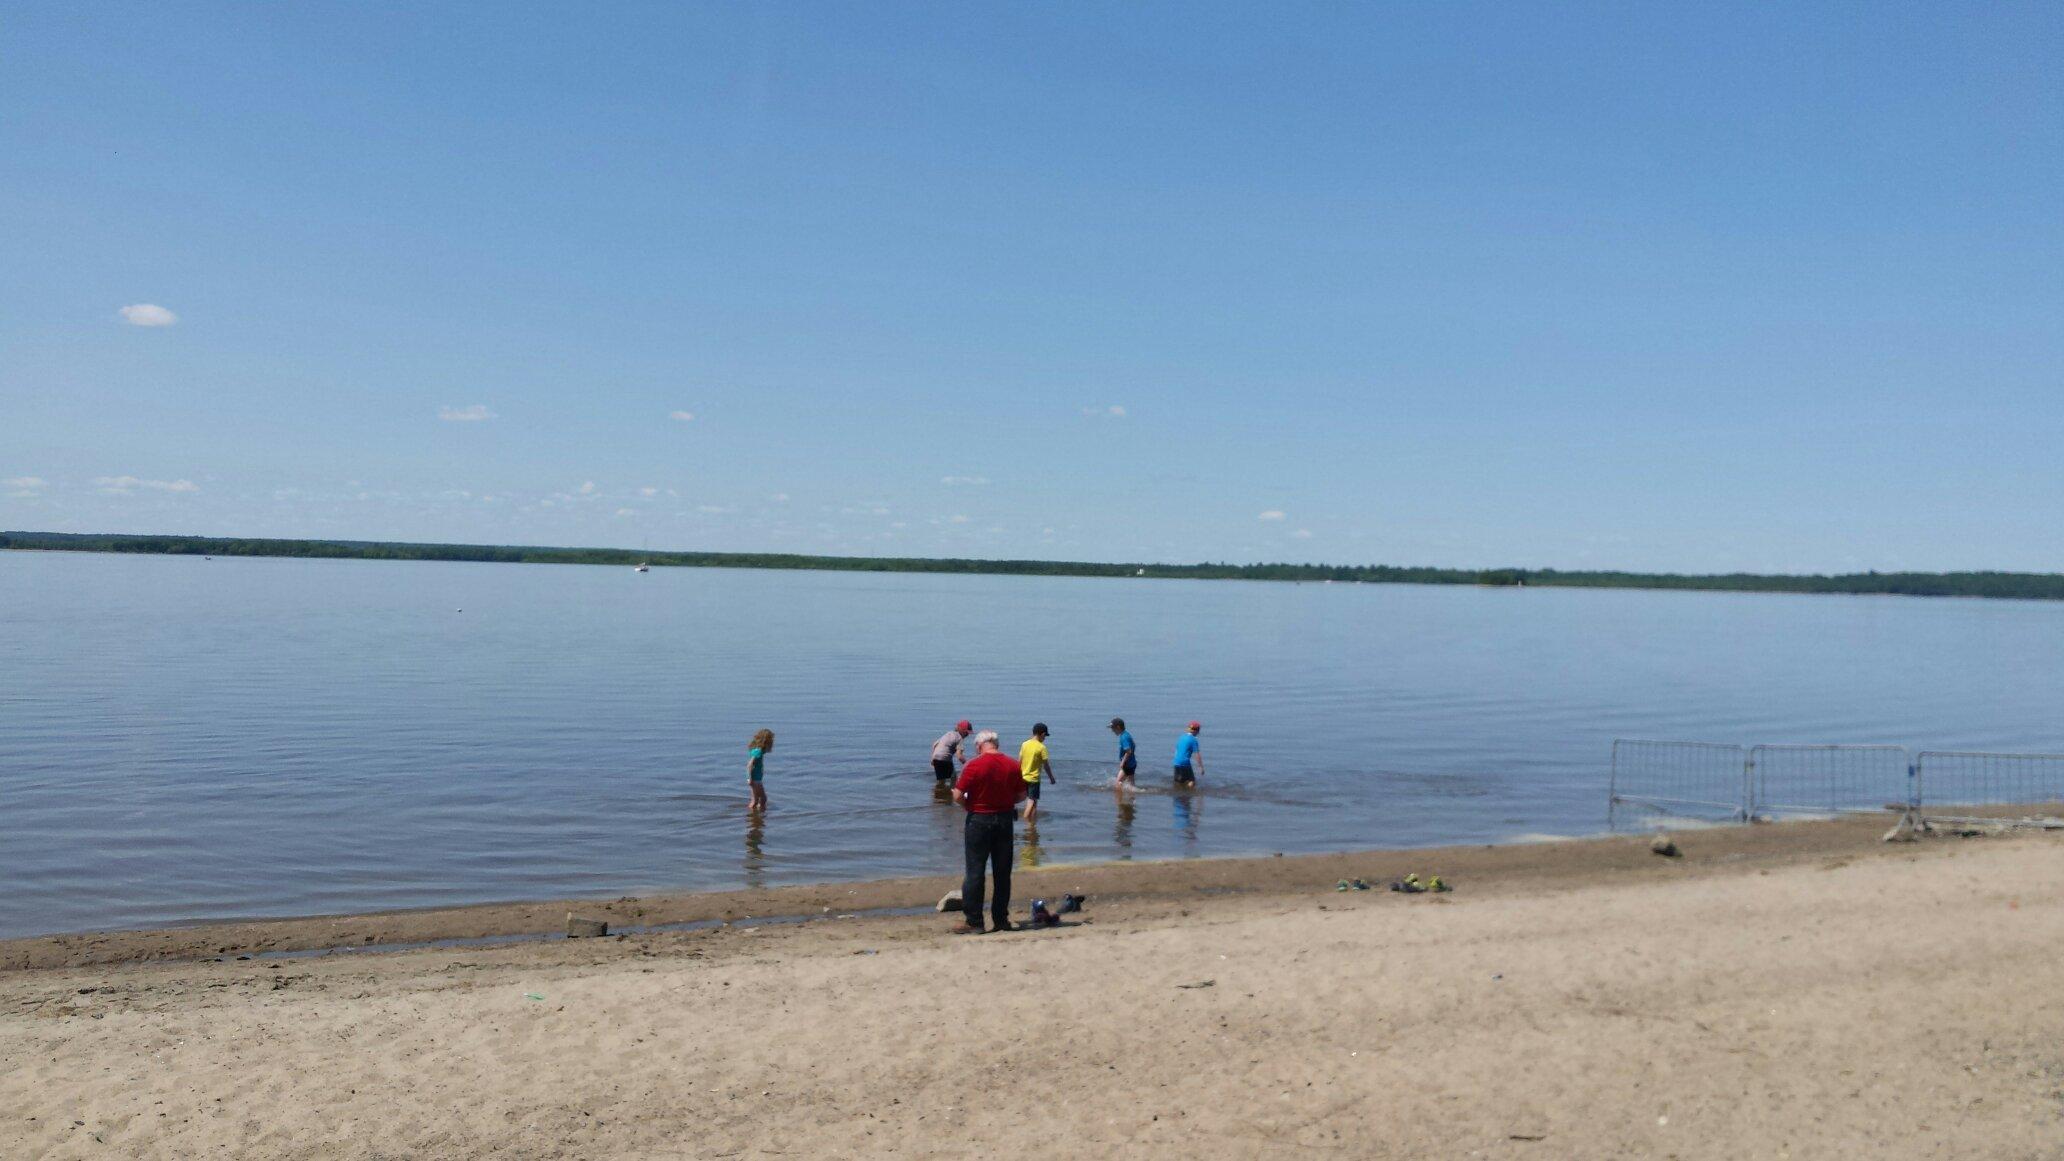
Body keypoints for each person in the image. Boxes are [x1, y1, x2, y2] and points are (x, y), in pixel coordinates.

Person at [951, 731, 1025, 933]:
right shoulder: (1012, 764)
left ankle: (975, 922)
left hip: (979, 819)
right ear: (996, 744)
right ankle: (1000, 919)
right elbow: (1021, 795)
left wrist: (968, 805)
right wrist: (1005, 801)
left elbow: (957, 795)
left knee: (975, 871)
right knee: (1002, 872)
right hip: (1004, 820)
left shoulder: (974, 765)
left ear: (979, 745)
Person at [1019, 723, 1056, 824]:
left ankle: (1032, 823)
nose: (1045, 738)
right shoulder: (1041, 747)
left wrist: (1017, 774)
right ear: (1042, 734)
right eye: (1045, 736)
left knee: (1034, 802)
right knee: (1031, 801)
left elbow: (1020, 761)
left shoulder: (1024, 744)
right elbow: (1046, 765)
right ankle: (1025, 819)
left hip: (1023, 776)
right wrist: (1051, 778)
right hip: (1034, 779)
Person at [930, 720, 973, 786]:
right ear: (962, 731)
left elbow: (935, 744)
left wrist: (932, 758)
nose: (968, 735)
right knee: (954, 778)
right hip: (945, 758)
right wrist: (968, 764)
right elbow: (959, 756)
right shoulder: (959, 739)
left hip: (936, 757)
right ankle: (952, 791)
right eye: (967, 733)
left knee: (941, 779)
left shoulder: (949, 733)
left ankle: (938, 790)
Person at [746, 728, 774, 812]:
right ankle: (753, 815)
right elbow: (749, 764)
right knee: (761, 799)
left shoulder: (756, 749)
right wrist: (749, 778)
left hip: (756, 779)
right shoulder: (758, 751)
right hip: (755, 779)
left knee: (757, 799)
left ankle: (756, 815)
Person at [1173, 720, 1203, 786]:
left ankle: (1177, 792)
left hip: (1176, 762)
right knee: (1192, 781)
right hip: (1185, 763)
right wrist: (1201, 767)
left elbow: (1176, 750)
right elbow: (1197, 755)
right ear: (1196, 731)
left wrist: (1177, 760)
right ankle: (1189, 791)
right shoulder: (1193, 740)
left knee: (1179, 781)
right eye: (1198, 730)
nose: (1198, 732)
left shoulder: (1181, 737)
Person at [1109, 717, 1136, 787]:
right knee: (1131, 784)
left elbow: (1128, 751)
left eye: (1113, 728)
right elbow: (1133, 745)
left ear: (1118, 727)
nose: (1112, 731)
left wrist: (1122, 762)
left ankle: (1119, 794)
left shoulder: (1123, 737)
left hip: (1127, 764)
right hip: (1132, 763)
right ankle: (1134, 794)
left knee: (1118, 783)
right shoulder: (1126, 734)